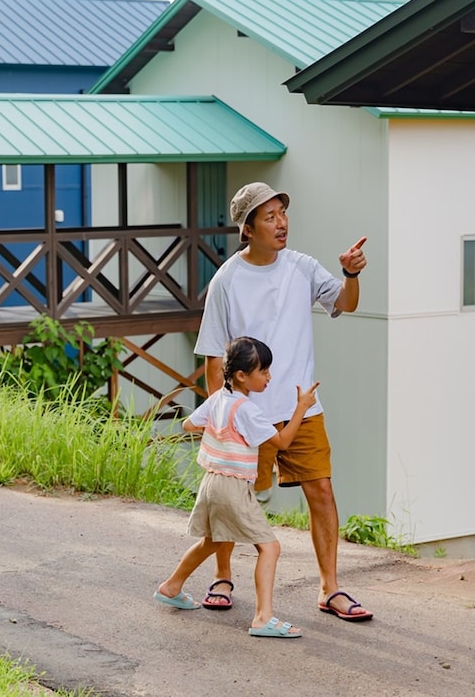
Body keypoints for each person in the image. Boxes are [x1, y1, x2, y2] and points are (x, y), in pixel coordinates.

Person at [193, 182, 373, 622]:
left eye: (282, 213)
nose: (282, 223)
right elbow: (215, 355)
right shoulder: (227, 281)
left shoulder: (301, 267)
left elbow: (345, 303)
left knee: (323, 492)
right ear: (247, 228)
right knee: (231, 499)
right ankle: (221, 576)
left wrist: (351, 274)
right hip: (245, 414)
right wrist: (222, 415)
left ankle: (330, 588)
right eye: (269, 216)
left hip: (301, 408)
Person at [154, 337, 318, 638]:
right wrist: (301, 408)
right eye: (263, 371)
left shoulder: (218, 400)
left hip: (211, 482)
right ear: (242, 375)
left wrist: (218, 431)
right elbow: (282, 442)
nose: (268, 377)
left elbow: (189, 425)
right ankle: (262, 618)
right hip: (232, 486)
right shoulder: (247, 410)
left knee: (212, 541)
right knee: (270, 547)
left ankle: (171, 586)